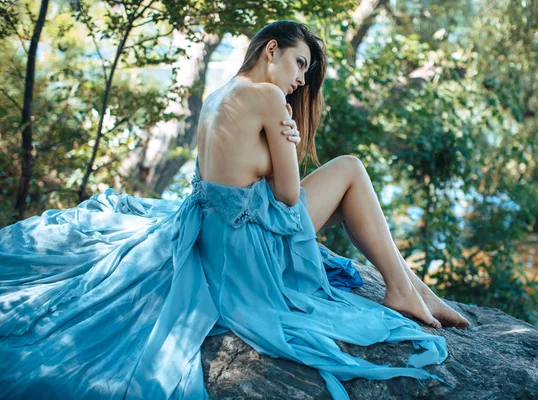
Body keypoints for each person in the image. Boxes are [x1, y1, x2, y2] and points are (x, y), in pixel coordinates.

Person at [0, 20, 468, 400]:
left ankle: (408, 286)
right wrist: (287, 145)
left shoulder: (218, 95)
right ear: (270, 50)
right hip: (249, 249)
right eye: (298, 63)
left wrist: (273, 151)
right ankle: (402, 289)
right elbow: (287, 196)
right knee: (350, 169)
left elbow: (240, 176)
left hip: (214, 235)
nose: (301, 79)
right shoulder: (267, 98)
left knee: (348, 179)